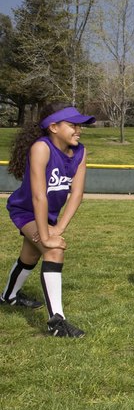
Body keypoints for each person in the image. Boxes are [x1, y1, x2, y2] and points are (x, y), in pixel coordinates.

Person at [2, 103, 95, 337]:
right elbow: (38, 196)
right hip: (26, 210)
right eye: (72, 125)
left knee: (30, 255)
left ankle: (8, 296)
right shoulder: (41, 148)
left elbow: (77, 194)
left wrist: (58, 228)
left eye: (80, 126)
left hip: (49, 214)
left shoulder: (80, 151)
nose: (78, 130)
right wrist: (45, 235)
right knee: (53, 251)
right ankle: (57, 322)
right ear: (53, 127)